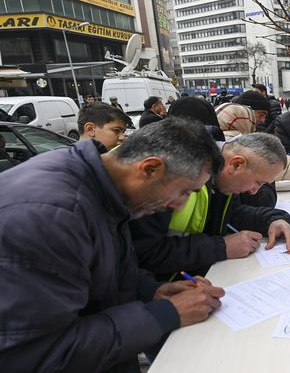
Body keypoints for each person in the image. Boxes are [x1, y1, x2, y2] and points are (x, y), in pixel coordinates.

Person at [0, 118, 226, 372]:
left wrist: (150, 290)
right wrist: (165, 314)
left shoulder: (99, 186)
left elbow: (91, 270)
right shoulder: (54, 215)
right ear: (150, 168)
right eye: (184, 192)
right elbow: (34, 354)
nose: (179, 206)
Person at [130, 133, 290, 280]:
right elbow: (145, 253)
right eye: (257, 182)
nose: (254, 192)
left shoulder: (220, 179)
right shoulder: (176, 178)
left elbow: (233, 214)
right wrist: (221, 247)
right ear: (236, 164)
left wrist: (272, 220)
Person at [216, 93, 290, 181]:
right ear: (244, 115)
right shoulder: (235, 144)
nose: (262, 120)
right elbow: (279, 164)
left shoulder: (213, 140)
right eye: (261, 114)